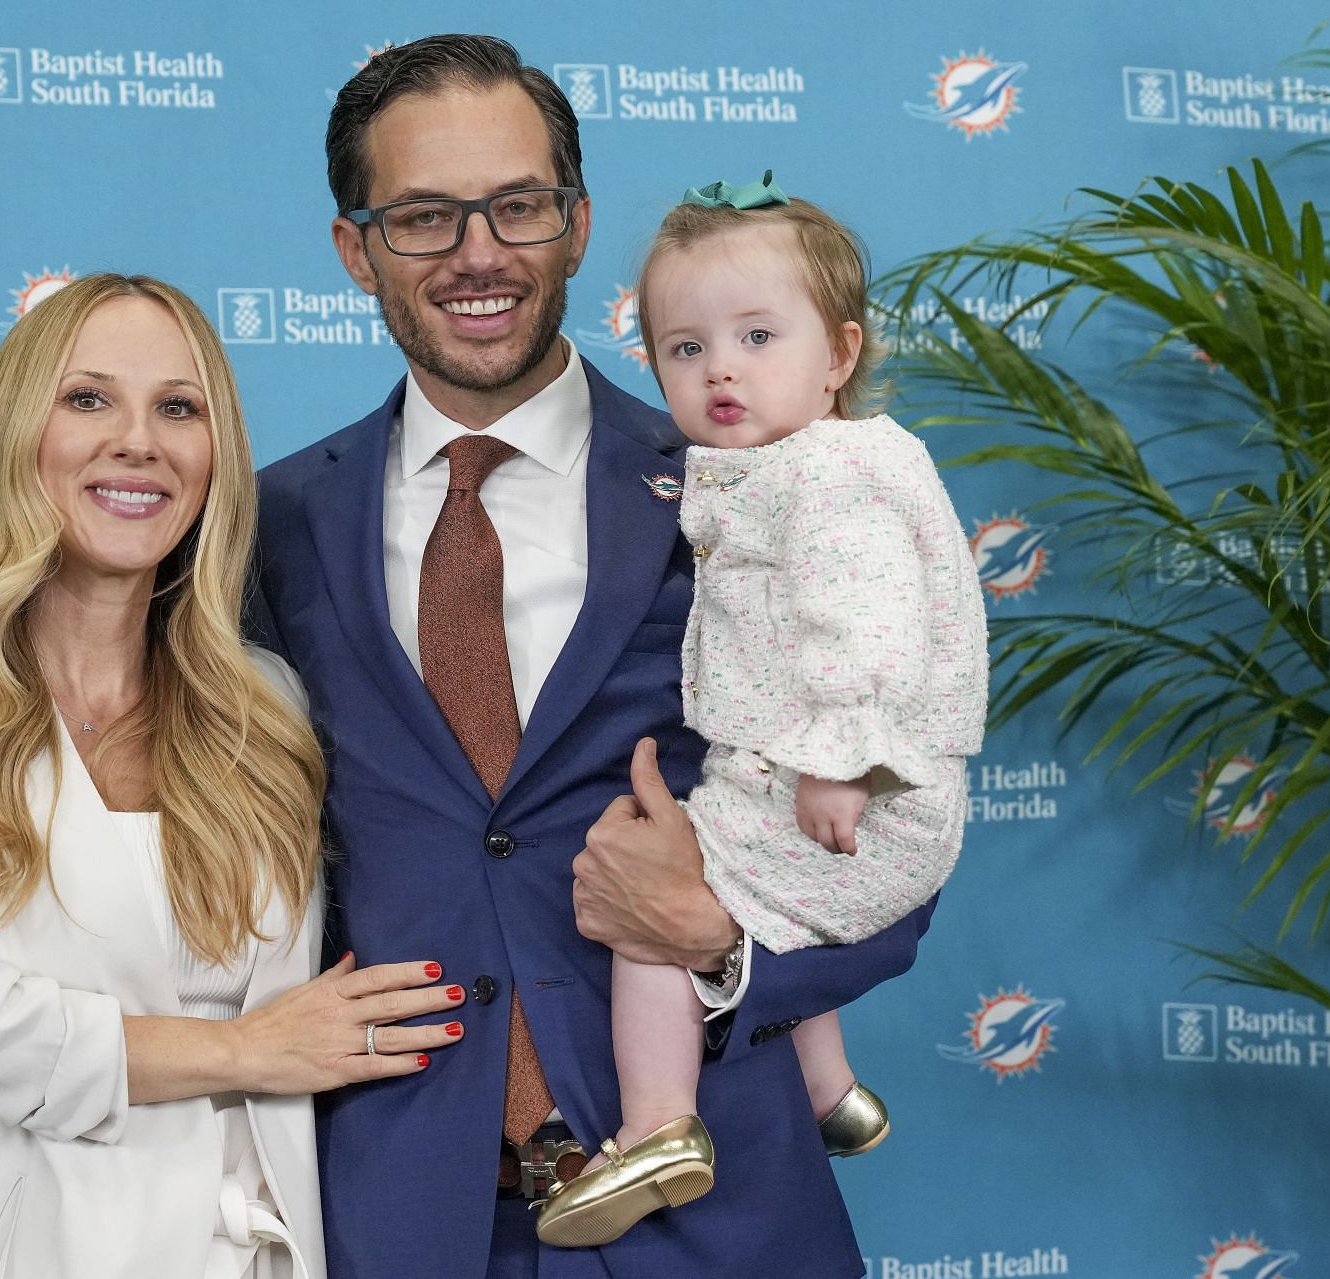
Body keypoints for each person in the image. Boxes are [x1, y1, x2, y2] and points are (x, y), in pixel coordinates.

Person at [251, 36, 935, 1279]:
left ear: (574, 222)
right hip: (400, 1216)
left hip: (713, 1205)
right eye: (422, 216)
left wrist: (719, 940)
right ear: (355, 249)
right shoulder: (271, 525)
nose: (477, 253)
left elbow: (894, 808)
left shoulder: (752, 485)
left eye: (516, 205)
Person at [0, 273, 462, 1279]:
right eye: (88, 400)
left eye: (178, 407)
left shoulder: (266, 704)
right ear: (16, 435)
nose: (138, 441)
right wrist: (243, 1051)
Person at [533, 176, 989, 1248]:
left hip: (854, 781)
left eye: (755, 336)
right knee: (768, 899)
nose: (720, 368)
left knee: (667, 913)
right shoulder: (801, 464)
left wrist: (840, 759)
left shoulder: (826, 479)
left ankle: (658, 1126)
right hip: (833, 777)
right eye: (684, 349)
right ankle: (830, 1088)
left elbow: (867, 623)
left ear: (837, 356)